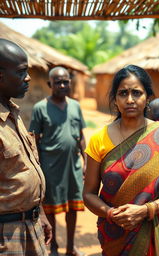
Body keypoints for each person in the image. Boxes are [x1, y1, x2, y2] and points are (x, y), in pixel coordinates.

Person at [83, 64, 159, 256]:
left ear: (148, 98)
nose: (130, 100)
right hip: (115, 234)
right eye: (123, 93)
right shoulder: (98, 139)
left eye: (137, 93)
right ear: (115, 99)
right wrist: (111, 214)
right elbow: (88, 194)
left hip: (156, 234)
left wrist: (146, 210)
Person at [0, 38, 52, 255]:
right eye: (21, 72)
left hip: (31, 225)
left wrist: (39, 213)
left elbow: (24, 169)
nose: (28, 77)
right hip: (7, 235)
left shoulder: (13, 113)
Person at [29, 67, 86, 256]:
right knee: (51, 208)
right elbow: (34, 140)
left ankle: (71, 246)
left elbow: (81, 136)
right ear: (49, 85)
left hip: (73, 166)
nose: (62, 85)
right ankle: (53, 246)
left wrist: (84, 162)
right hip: (50, 167)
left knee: (73, 206)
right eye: (58, 82)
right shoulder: (40, 108)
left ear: (70, 82)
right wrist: (37, 167)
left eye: (65, 81)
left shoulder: (75, 106)